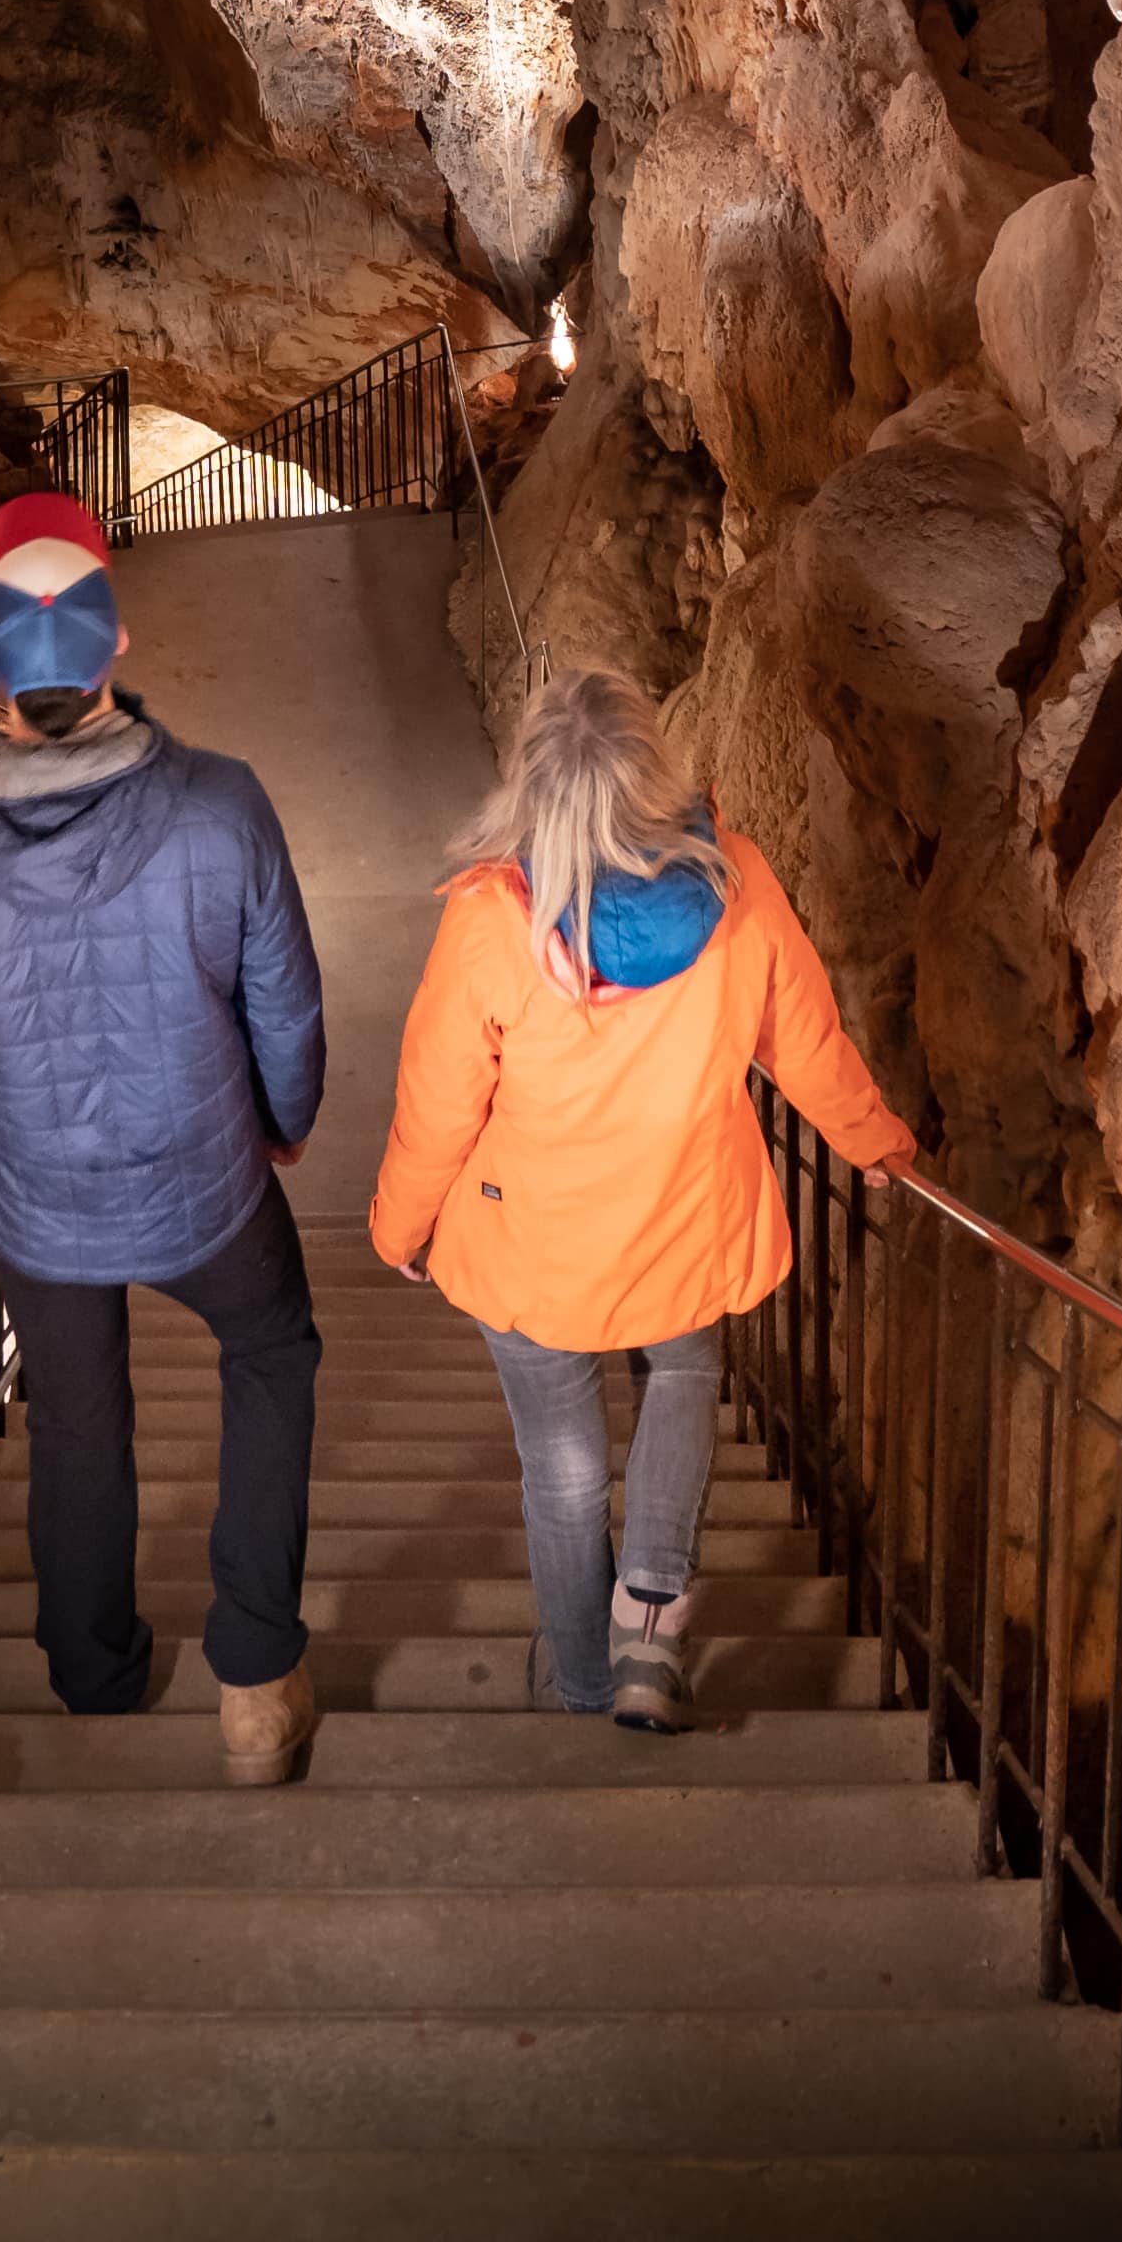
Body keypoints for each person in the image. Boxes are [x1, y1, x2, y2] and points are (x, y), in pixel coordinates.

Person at [0, 489, 330, 1785]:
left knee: (76, 1423)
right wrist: (284, 1123)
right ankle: (253, 1670)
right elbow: (284, 1003)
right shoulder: (222, 805)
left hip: (40, 1203)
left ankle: (93, 1672)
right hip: (210, 1184)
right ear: (116, 645)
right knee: (271, 1350)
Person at [368, 662, 914, 1733]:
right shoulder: (736, 886)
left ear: (529, 787)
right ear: (655, 768)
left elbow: (435, 1102)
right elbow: (806, 1046)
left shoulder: (494, 920)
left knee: (561, 1472)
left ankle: (579, 1675)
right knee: (685, 1366)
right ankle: (648, 1620)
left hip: (533, 1246)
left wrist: (401, 1225)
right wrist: (877, 1145)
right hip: (681, 1221)